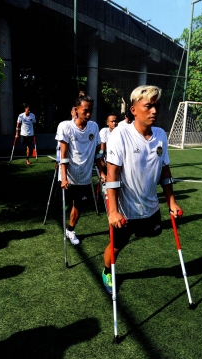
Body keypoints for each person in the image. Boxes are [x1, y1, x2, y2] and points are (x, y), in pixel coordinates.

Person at [101, 85, 182, 294]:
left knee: (152, 232)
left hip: (150, 204)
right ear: (134, 109)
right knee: (117, 247)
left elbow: (165, 170)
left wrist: (171, 201)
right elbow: (112, 175)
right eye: (148, 106)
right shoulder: (120, 134)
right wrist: (112, 211)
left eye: (156, 106)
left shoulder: (161, 135)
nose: (154, 111)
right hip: (124, 207)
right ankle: (107, 271)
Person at [56, 94, 105, 245]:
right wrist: (64, 178)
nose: (89, 114)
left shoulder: (94, 126)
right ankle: (64, 211)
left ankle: (70, 230)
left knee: (79, 204)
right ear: (76, 110)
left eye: (90, 110)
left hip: (85, 175)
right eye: (85, 111)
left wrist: (102, 172)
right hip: (69, 175)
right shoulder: (65, 126)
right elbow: (63, 155)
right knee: (65, 203)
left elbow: (97, 153)